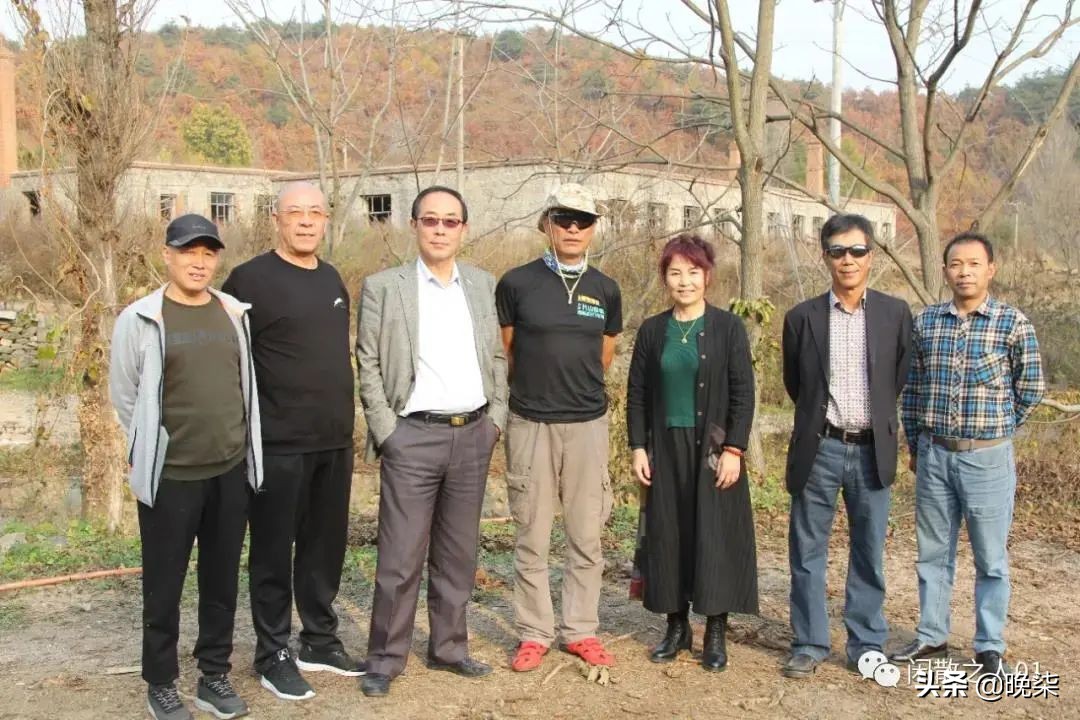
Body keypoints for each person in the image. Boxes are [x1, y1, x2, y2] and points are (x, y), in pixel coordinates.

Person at [355, 186, 508, 697]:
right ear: (415, 226)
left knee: (458, 553)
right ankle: (385, 657)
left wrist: (497, 420)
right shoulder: (384, 286)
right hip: (411, 436)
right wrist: (387, 431)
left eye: (450, 222)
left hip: (472, 433)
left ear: (464, 228)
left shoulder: (484, 285)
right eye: (430, 221)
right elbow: (368, 363)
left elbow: (498, 358)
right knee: (399, 556)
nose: (440, 230)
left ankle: (449, 646)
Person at [110, 213, 262, 720]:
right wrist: (152, 445)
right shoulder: (141, 319)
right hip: (171, 477)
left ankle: (213, 677)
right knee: (164, 584)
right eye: (188, 251)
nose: (198, 261)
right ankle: (161, 684)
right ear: (167, 255)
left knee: (220, 581)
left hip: (229, 471)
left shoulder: (232, 313)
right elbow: (126, 395)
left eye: (207, 252)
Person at [221, 182, 363, 702]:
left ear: (326, 219)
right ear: (276, 220)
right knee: (273, 550)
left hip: (332, 440)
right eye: (294, 213)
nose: (306, 222)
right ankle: (272, 652)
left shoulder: (332, 278)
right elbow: (230, 361)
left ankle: (319, 641)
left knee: (325, 547)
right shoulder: (247, 280)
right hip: (276, 443)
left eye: (315, 213)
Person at [891, 232, 1045, 676]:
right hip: (935, 455)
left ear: (990, 269)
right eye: (956, 264)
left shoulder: (1011, 323)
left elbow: (1031, 389)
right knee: (933, 552)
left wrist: (997, 429)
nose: (965, 272)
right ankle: (932, 636)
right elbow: (914, 390)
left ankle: (989, 645)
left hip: (988, 459)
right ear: (945, 271)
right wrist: (917, 443)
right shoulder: (927, 322)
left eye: (974, 264)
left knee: (990, 558)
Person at [496, 183, 622, 672]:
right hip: (531, 422)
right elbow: (508, 352)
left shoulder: (606, 288)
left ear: (594, 228)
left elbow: (603, 355)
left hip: (588, 425)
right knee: (532, 533)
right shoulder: (517, 283)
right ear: (547, 222)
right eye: (564, 218)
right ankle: (533, 631)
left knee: (586, 535)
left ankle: (580, 630)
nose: (573, 228)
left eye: (583, 220)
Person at [780, 213, 913, 679]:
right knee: (807, 550)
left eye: (857, 250)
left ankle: (866, 642)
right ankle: (810, 641)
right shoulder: (801, 317)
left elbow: (896, 379)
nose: (848, 260)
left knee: (868, 549)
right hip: (821, 448)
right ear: (825, 257)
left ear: (871, 256)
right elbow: (797, 385)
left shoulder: (895, 313)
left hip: (873, 448)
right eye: (838, 251)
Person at [626, 234, 758, 672]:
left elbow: (743, 392)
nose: (684, 281)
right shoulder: (652, 330)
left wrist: (735, 449)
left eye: (693, 272)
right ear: (665, 277)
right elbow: (637, 395)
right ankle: (676, 625)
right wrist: (638, 447)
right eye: (675, 272)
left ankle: (715, 631)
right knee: (670, 535)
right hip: (665, 448)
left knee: (713, 534)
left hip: (714, 451)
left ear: (708, 276)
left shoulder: (728, 328)